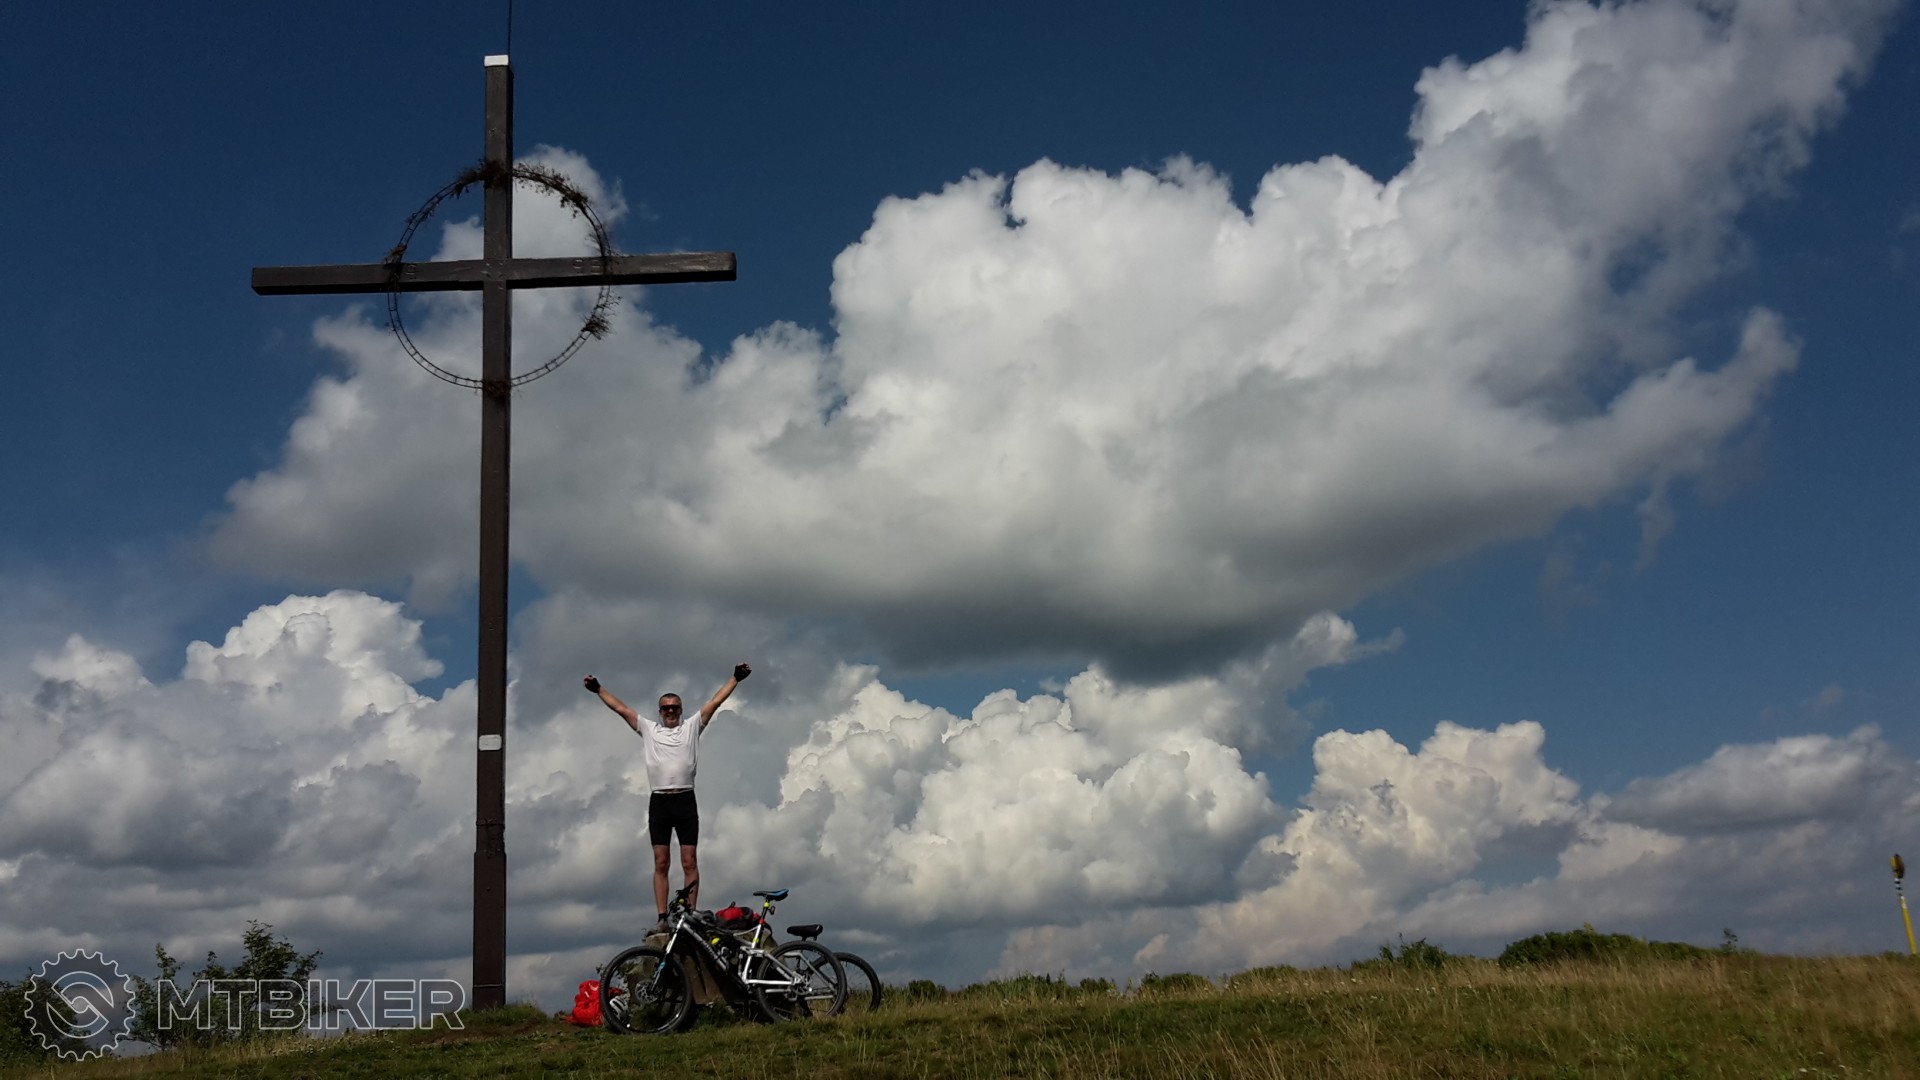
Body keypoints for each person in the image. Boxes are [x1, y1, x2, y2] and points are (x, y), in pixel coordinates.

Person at [584, 662, 750, 924]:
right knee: (661, 862)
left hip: (685, 800)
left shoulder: (691, 727)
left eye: (674, 707)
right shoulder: (650, 729)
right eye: (666, 708)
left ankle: (690, 914)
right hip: (660, 801)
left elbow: (715, 702)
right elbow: (621, 709)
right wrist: (598, 689)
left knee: (689, 861)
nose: (670, 711)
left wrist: (736, 678)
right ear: (660, 712)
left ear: (681, 710)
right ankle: (662, 917)